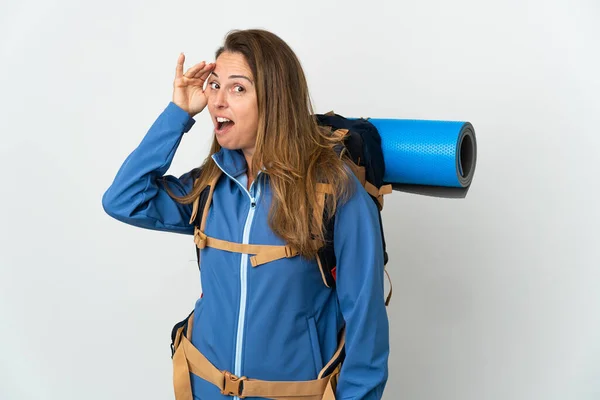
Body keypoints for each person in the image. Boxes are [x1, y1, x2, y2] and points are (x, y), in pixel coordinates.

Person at [102, 29, 389, 400]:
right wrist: (177, 114)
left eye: (238, 88)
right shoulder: (209, 186)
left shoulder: (335, 191)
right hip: (201, 388)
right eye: (215, 85)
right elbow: (123, 199)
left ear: (275, 99)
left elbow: (367, 331)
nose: (218, 101)